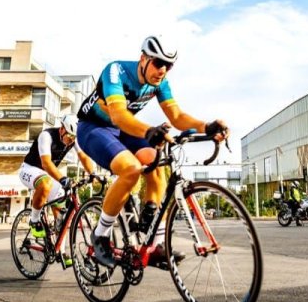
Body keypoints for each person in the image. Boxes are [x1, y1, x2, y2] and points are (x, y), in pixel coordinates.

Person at [76, 36, 228, 268]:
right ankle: (101, 234)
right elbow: (118, 114)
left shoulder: (160, 82)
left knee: (158, 161)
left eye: (169, 66)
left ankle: (154, 243)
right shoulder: (116, 71)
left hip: (122, 129)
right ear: (143, 59)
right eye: (158, 63)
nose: (163, 70)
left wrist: (205, 127)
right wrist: (149, 131)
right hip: (93, 128)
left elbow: (176, 116)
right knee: (131, 168)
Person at [19, 113, 95, 243]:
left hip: (47, 175)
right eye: (70, 136)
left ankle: (60, 250)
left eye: (74, 137)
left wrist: (93, 173)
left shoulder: (73, 140)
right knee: (46, 183)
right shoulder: (46, 136)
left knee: (61, 214)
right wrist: (63, 179)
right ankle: (34, 220)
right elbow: (46, 164)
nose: (71, 140)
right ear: (62, 129)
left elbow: (83, 157)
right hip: (29, 169)